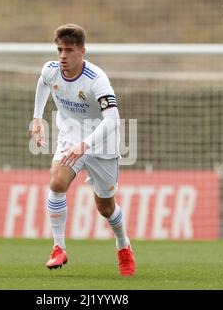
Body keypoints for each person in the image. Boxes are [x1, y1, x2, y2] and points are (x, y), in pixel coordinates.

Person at [31, 24, 135, 276]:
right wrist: (36, 118)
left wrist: (86, 145)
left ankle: (123, 245)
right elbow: (43, 82)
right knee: (57, 183)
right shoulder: (51, 70)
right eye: (59, 50)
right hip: (70, 138)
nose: (63, 56)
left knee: (105, 208)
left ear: (82, 51)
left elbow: (112, 120)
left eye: (68, 50)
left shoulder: (96, 79)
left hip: (102, 143)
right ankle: (59, 248)